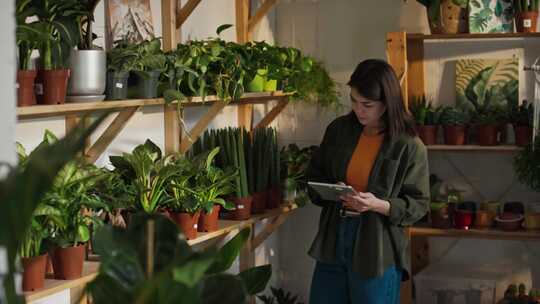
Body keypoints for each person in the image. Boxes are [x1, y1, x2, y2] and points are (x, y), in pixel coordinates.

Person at [306, 59, 430, 304]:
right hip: (333, 238)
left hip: (376, 246)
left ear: (387, 103)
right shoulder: (339, 130)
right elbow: (315, 174)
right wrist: (332, 190)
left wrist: (377, 205)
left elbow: (419, 204)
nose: (358, 109)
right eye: (353, 100)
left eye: (367, 104)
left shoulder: (409, 146)